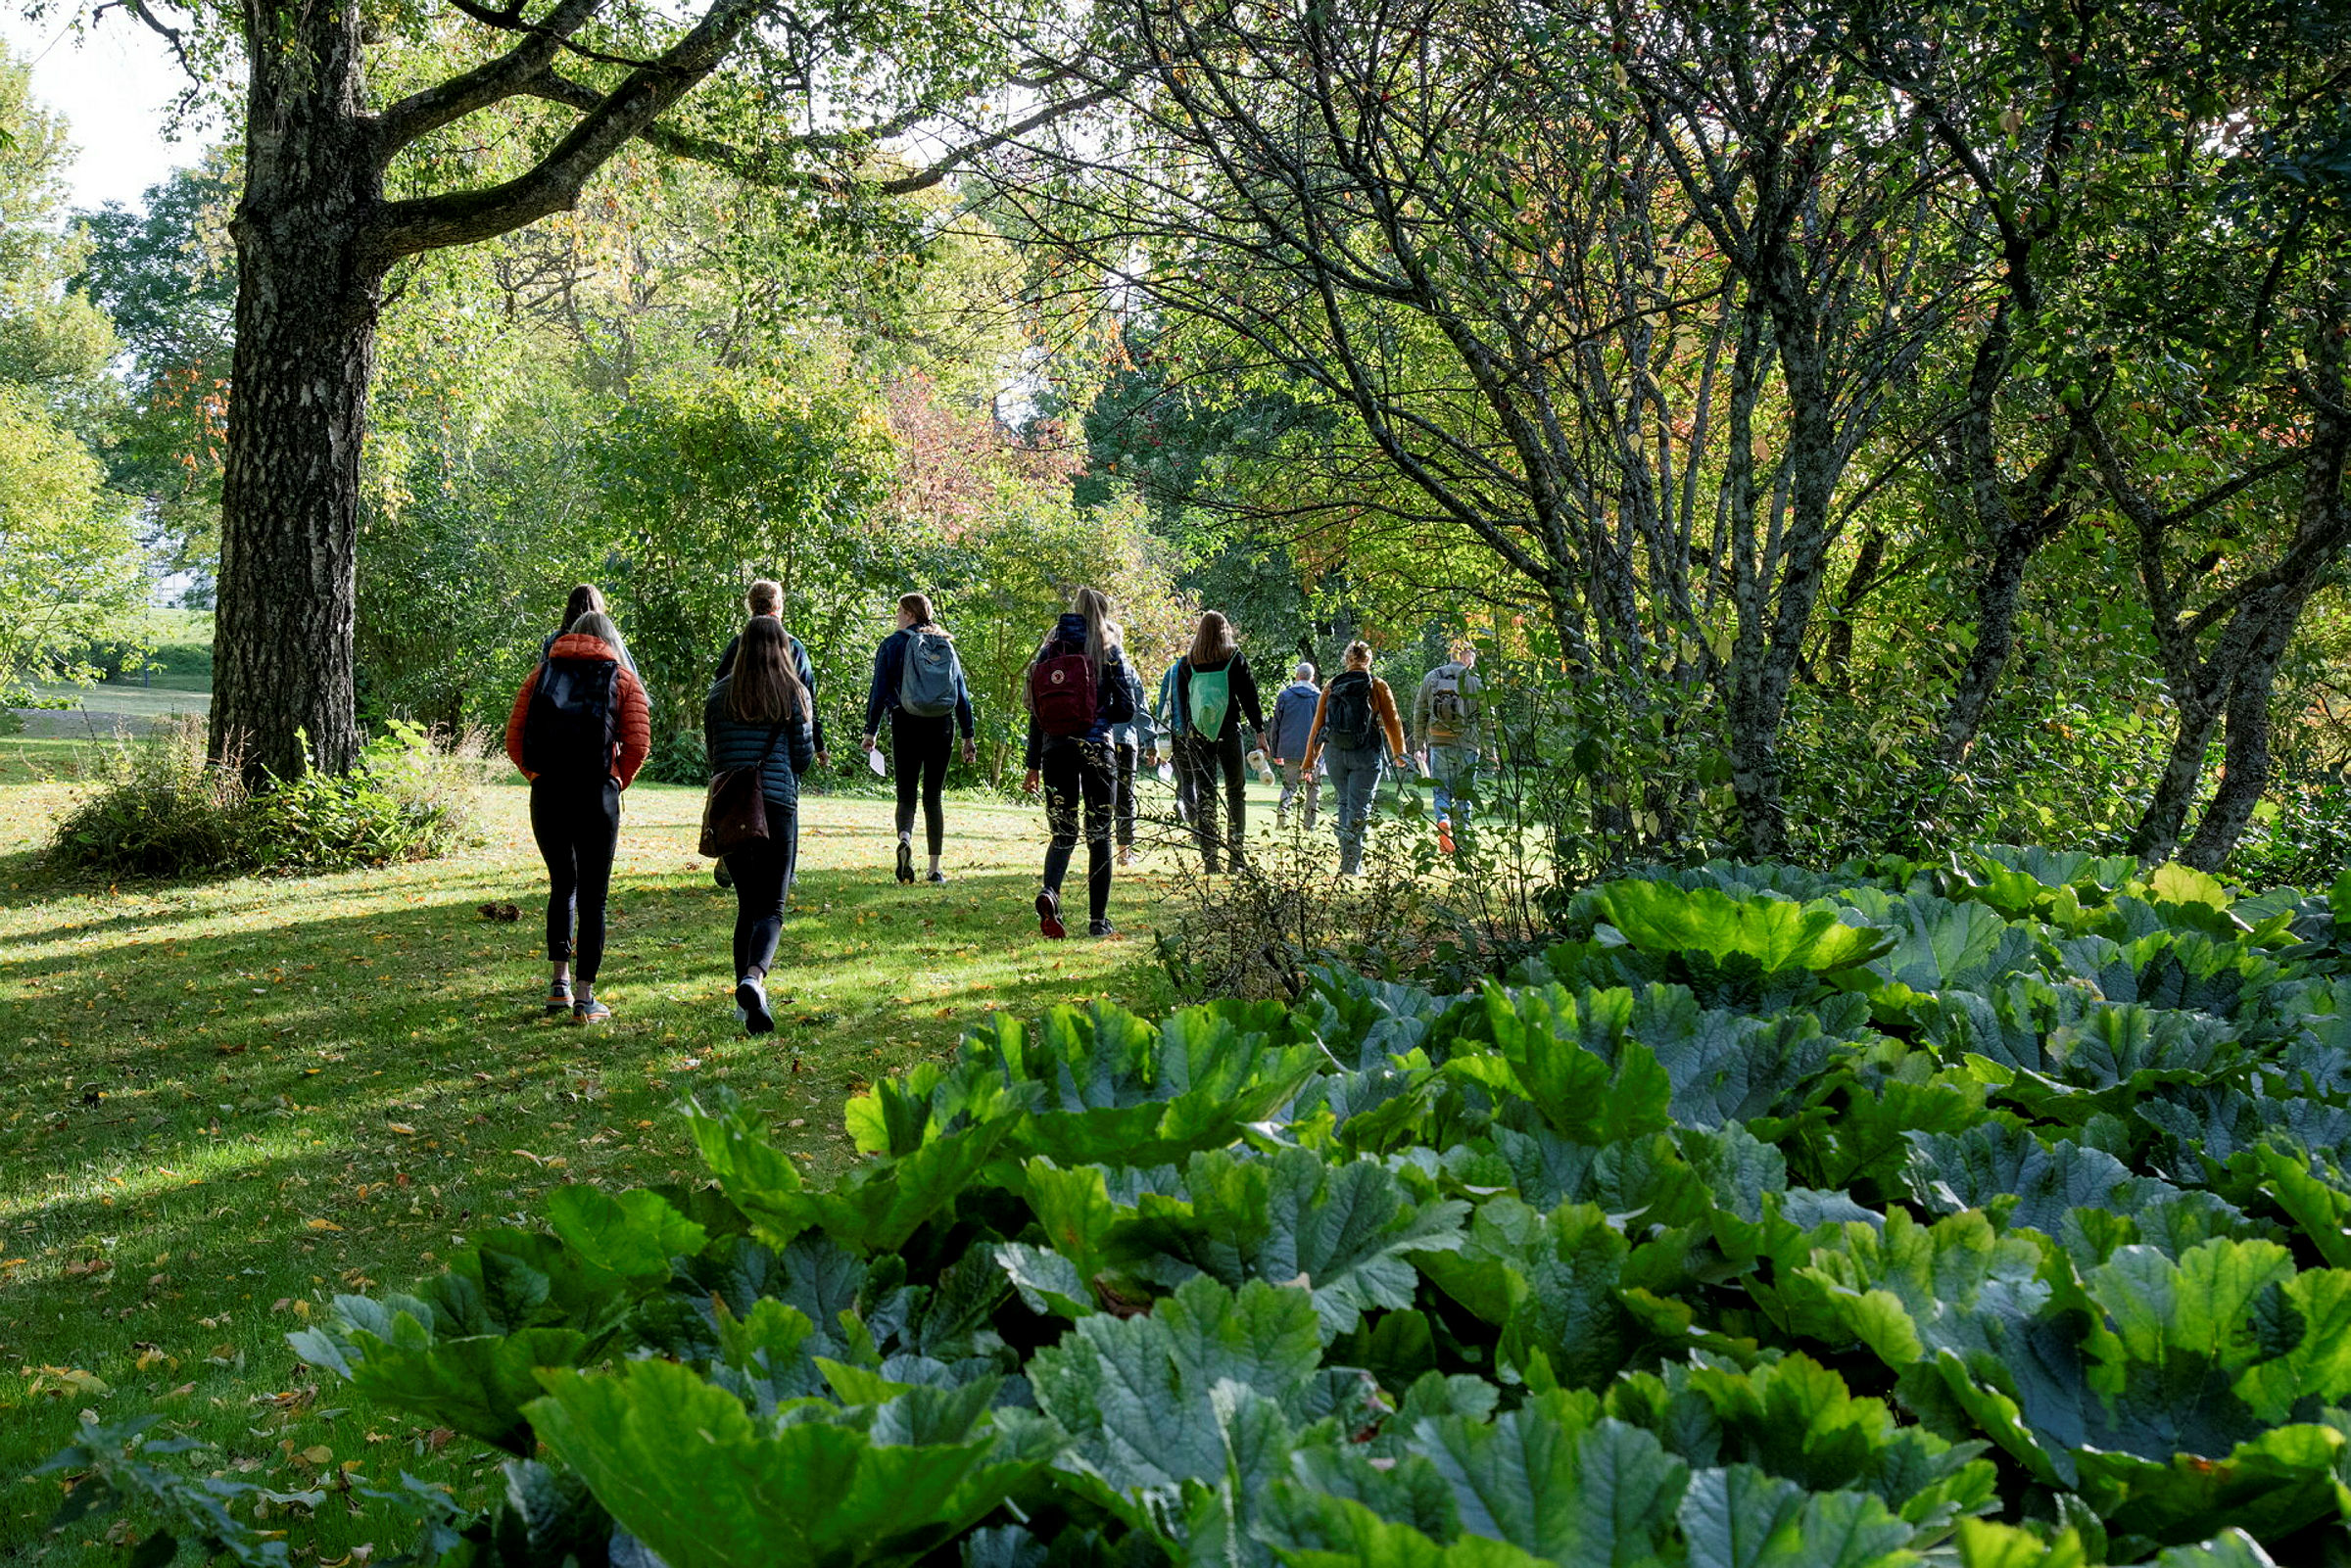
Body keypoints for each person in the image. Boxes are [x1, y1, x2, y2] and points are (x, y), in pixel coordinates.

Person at [504, 610, 650, 1023]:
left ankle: (558, 985)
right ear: (609, 639)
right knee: (594, 896)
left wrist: (537, 775)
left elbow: (514, 739)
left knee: (561, 886)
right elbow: (638, 743)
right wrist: (616, 781)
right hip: (595, 795)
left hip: (548, 792)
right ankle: (586, 998)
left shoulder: (539, 676)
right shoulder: (622, 678)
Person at [705, 616, 818, 1035]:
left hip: (734, 805)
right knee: (771, 907)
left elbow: (714, 754)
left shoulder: (719, 695)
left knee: (746, 905)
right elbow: (803, 759)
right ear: (782, 650)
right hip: (777, 804)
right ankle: (754, 977)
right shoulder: (794, 693)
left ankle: (747, 1005)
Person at [1022, 587, 1135, 938]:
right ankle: (1098, 921)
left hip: (1055, 750)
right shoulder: (1108, 651)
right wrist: (1097, 713)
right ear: (1103, 613)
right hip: (1096, 749)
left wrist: (1032, 764)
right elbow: (1127, 708)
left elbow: (1037, 713)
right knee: (1099, 834)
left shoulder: (1049, 652)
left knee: (1063, 833)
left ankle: (1050, 892)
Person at [712, 580, 829, 888]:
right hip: (779, 751)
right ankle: (784, 871)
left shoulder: (738, 645)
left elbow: (718, 693)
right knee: (787, 800)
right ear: (778, 605)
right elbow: (808, 702)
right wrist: (818, 743)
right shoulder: (793, 647)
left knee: (737, 802)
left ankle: (734, 850)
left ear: (751, 604)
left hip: (736, 755)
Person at [860, 593, 977, 884]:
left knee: (906, 794)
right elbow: (961, 693)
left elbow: (878, 689)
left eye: (899, 611)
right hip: (941, 725)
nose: (897, 616)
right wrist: (968, 735)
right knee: (933, 797)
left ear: (910, 614)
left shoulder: (892, 644)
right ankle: (935, 869)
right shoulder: (945, 644)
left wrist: (870, 730)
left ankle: (905, 839)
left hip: (905, 722)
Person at [1302, 641, 1409, 877]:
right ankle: (1351, 866)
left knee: (1344, 803)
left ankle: (1346, 860)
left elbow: (1317, 726)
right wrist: (1399, 755)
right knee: (1360, 808)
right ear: (1368, 660)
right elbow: (1393, 723)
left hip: (1335, 754)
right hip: (1365, 752)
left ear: (1347, 660)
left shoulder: (1332, 685)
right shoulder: (1378, 686)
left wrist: (1310, 760)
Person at [1174, 611, 1268, 873]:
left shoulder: (1187, 663)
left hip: (1199, 736)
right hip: (1228, 731)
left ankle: (1210, 860)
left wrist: (1188, 733)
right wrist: (1260, 731)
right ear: (1225, 631)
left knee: (1206, 793)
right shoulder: (1234, 659)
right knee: (1236, 792)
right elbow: (1250, 697)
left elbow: (1182, 705)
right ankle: (1235, 858)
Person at [1413, 641, 1486, 854]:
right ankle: (1464, 840)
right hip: (1467, 744)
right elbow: (1487, 719)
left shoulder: (1432, 677)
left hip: (1438, 742)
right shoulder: (1475, 681)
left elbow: (1420, 712)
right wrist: (1491, 752)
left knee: (1441, 790)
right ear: (1467, 656)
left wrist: (1420, 745)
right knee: (1465, 793)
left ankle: (1443, 820)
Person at [540, 584, 646, 693]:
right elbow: (631, 677)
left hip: (558, 704)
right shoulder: (607, 637)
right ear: (597, 607)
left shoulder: (555, 640)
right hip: (603, 705)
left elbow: (540, 680)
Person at [1108, 655, 1156, 867]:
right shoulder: (1127, 670)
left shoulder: (1090, 664)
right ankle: (1124, 853)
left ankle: (1099, 849)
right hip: (1124, 741)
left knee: (1100, 796)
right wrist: (1150, 741)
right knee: (1125, 797)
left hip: (1099, 739)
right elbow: (1139, 708)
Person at [1269, 660, 1323, 832]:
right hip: (1312, 751)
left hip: (1290, 749)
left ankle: (1283, 819)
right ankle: (1309, 825)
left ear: (1297, 676)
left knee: (1289, 786)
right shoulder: (1319, 697)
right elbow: (1323, 728)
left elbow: (1276, 725)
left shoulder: (1285, 696)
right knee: (1313, 788)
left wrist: (1275, 751)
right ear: (1312, 678)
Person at [1154, 657, 1195, 825]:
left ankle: (1181, 804)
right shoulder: (1200, 668)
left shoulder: (1171, 672)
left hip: (1177, 733)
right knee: (1195, 780)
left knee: (1184, 779)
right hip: (1197, 731)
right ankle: (1197, 823)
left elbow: (1162, 704)